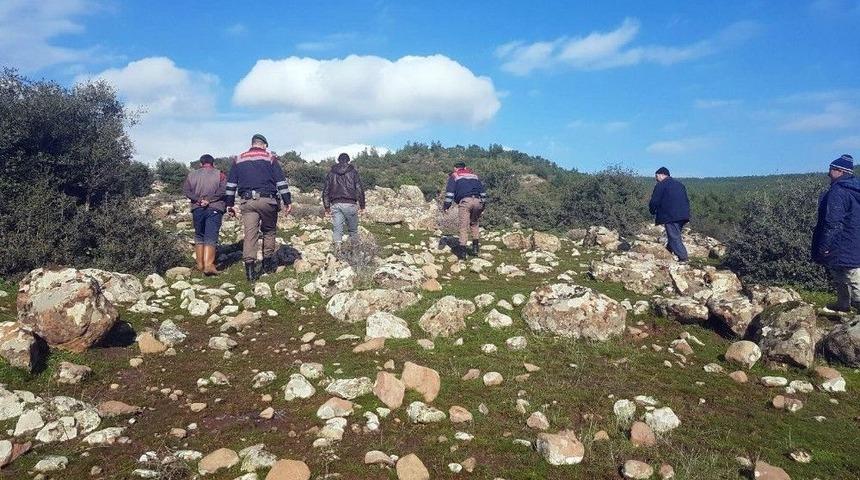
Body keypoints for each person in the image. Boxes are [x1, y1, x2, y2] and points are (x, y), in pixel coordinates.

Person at [225, 134, 292, 281]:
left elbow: (231, 185)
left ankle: (250, 273)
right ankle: (267, 264)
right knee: (269, 231)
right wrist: (287, 201)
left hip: (247, 201)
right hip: (268, 200)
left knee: (250, 234)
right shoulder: (270, 158)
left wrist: (229, 204)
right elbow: (281, 182)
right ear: (264, 145)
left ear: (252, 144)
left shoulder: (238, 159)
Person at [812, 154, 860, 314]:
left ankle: (847, 307)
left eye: (831, 169)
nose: (828, 173)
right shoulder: (855, 190)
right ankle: (843, 305)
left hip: (842, 241)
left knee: (851, 275)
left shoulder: (838, 191)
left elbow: (832, 221)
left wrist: (825, 245)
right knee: (846, 272)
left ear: (840, 171)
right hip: (854, 240)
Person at [182, 154, 226, 276]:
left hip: (197, 208)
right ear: (213, 163)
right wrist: (209, 200)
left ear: (200, 164)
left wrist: (198, 199)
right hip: (215, 207)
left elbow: (186, 191)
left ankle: (200, 264)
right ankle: (208, 266)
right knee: (211, 235)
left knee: (199, 234)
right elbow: (223, 191)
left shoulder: (191, 175)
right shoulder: (220, 174)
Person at [443, 161, 487, 259]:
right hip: (478, 201)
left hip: (465, 202)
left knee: (463, 226)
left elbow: (450, 193)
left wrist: (446, 206)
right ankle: (475, 248)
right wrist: (483, 206)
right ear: (465, 167)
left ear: (455, 168)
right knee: (474, 223)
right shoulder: (474, 176)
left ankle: (462, 253)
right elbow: (483, 192)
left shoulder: (454, 176)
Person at [322, 152, 366, 251]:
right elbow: (359, 189)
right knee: (353, 230)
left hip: (336, 204)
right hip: (350, 204)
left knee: (337, 229)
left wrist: (327, 207)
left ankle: (337, 250)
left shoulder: (331, 173)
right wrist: (362, 206)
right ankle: (355, 251)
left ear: (338, 160)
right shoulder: (353, 172)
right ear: (348, 160)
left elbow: (325, 191)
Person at [648, 166, 690, 262]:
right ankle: (667, 253)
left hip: (670, 215)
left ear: (661, 175)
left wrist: (652, 210)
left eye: (656, 176)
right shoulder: (679, 184)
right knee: (674, 234)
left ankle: (683, 257)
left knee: (673, 236)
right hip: (683, 214)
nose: (656, 179)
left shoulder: (661, 185)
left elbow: (655, 200)